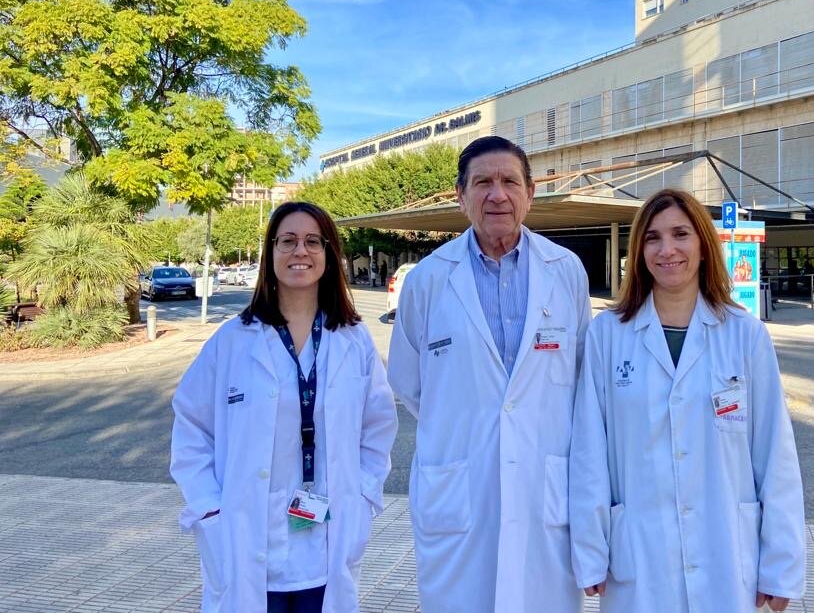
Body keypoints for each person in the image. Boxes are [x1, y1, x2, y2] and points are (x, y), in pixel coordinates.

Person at [569, 188, 805, 613]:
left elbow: (775, 457)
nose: (668, 249)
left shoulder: (744, 335)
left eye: (681, 234)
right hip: (638, 557)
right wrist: (590, 548)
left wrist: (781, 564)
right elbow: (589, 453)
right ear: (638, 250)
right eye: (653, 237)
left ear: (702, 245)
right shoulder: (607, 336)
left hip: (726, 555)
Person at [388, 136, 592, 613]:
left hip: (545, 490)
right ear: (461, 196)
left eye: (508, 182)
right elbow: (409, 382)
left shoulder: (566, 271)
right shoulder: (429, 279)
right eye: (482, 182)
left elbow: (581, 374)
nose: (496, 195)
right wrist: (471, 410)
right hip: (458, 490)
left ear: (530, 193)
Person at [170, 201, 398, 613]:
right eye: (287, 241)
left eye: (313, 241)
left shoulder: (354, 340)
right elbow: (191, 428)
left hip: (328, 542)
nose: (300, 252)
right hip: (245, 538)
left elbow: (378, 427)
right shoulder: (232, 341)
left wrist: (364, 498)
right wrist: (209, 509)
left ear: (329, 255)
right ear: (270, 253)